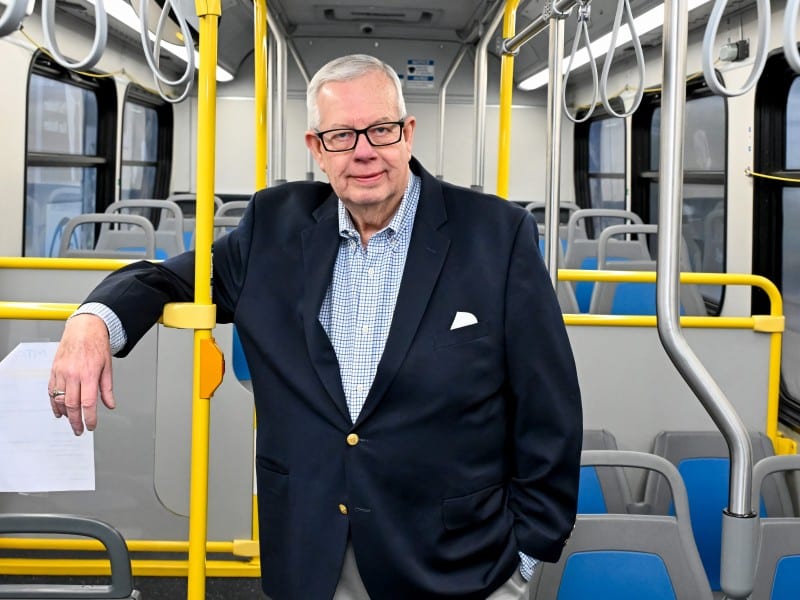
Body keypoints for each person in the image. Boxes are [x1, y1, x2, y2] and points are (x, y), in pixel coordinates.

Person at [48, 54, 582, 600]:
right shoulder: (273, 227)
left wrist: (525, 558)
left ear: (407, 134)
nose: (364, 151)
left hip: (460, 563)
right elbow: (166, 278)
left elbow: (548, 406)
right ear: (316, 149)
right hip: (312, 556)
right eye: (341, 136)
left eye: (380, 130)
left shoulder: (496, 235)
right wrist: (91, 323)